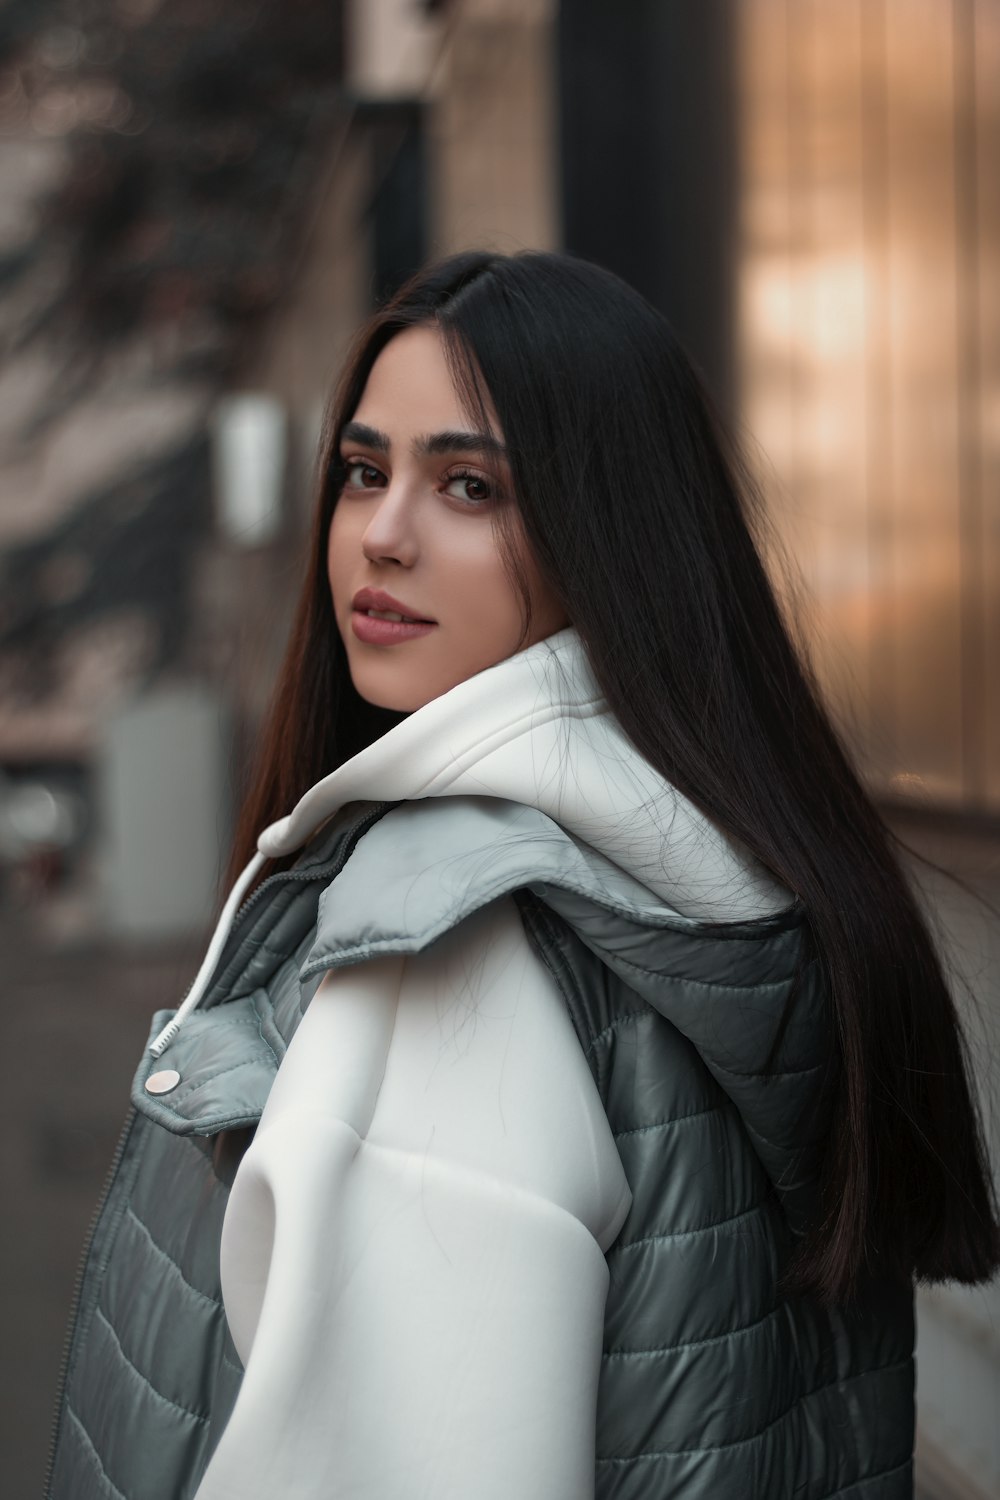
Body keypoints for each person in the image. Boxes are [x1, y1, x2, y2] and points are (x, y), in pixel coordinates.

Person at [47, 251, 999, 1500]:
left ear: (607, 530)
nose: (382, 536)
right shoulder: (738, 869)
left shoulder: (444, 961)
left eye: (467, 484)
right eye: (363, 471)